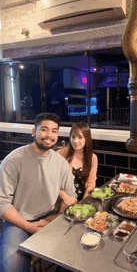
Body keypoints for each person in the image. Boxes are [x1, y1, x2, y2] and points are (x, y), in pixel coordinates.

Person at [0, 113, 77, 272]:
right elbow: (2, 202)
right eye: (44, 129)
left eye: (54, 131)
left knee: (75, 258)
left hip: (50, 216)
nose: (49, 135)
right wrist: (28, 226)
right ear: (33, 132)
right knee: (11, 267)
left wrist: (56, 216)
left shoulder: (60, 163)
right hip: (18, 221)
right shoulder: (14, 160)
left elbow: (71, 196)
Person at [58, 121, 98, 205]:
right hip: (63, 200)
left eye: (80, 137)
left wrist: (83, 203)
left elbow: (91, 184)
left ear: (86, 139)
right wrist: (65, 197)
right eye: (73, 137)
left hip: (82, 199)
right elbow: (51, 182)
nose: (75, 141)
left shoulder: (92, 158)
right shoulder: (60, 154)